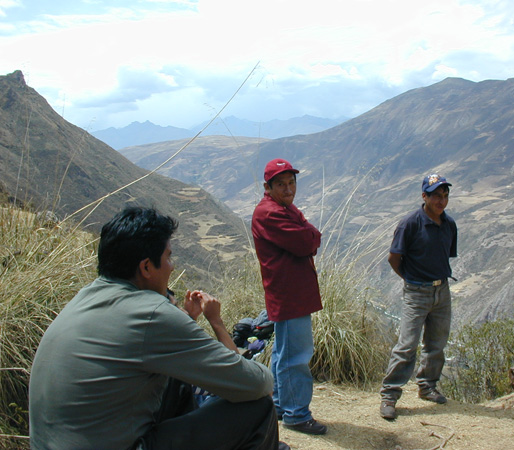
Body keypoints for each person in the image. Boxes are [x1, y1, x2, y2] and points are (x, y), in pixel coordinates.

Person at [29, 206, 289, 450]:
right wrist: (217, 324)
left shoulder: (85, 297)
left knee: (176, 380)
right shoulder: (150, 312)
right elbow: (257, 384)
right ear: (145, 267)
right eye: (168, 257)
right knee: (259, 410)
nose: (172, 266)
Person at [251, 159, 327, 435]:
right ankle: (297, 414)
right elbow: (307, 241)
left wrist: (306, 229)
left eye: (291, 182)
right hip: (290, 294)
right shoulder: (272, 213)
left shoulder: (281, 208)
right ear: (267, 187)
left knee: (284, 353)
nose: (288, 189)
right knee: (297, 354)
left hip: (289, 293)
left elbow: (305, 236)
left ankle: (282, 405)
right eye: (280, 184)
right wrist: (310, 230)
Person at [379, 173, 458, 420]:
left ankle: (427, 387)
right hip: (416, 292)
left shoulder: (449, 224)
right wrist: (411, 279)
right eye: (436, 195)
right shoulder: (410, 224)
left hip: (441, 291)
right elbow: (394, 258)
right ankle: (389, 395)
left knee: (436, 343)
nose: (441, 200)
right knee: (407, 345)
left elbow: (446, 255)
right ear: (424, 196)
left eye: (444, 195)